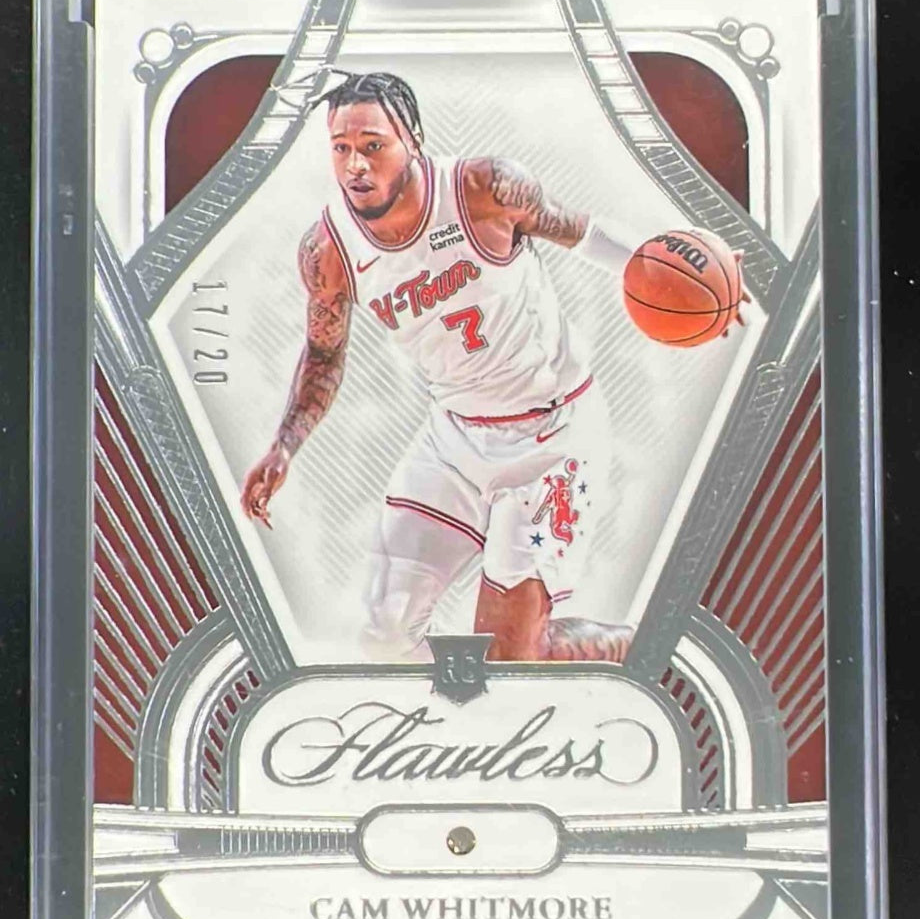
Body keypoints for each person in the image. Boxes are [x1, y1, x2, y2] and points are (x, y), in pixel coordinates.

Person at [240, 70, 734, 661]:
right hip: (454, 438)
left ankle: (647, 645)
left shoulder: (485, 188)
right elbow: (324, 354)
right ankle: (465, 704)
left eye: (373, 145)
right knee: (384, 638)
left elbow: (579, 232)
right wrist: (284, 446)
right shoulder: (328, 249)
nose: (356, 166)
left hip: (554, 437)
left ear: (413, 140)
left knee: (514, 658)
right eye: (341, 148)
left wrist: (694, 283)